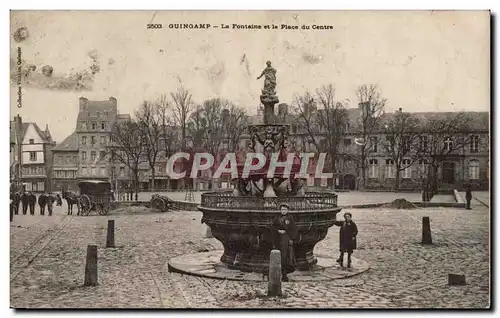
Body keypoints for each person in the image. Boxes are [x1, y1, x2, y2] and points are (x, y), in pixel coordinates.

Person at [271, 204, 299, 281]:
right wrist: (278, 231)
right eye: (282, 209)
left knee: (285, 256)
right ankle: (277, 273)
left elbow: (294, 228)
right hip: (278, 239)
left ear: (287, 210)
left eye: (285, 209)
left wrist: (287, 232)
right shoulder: (277, 218)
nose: (283, 211)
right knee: (277, 255)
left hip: (286, 239)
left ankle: (284, 274)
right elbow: (272, 227)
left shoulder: (290, 218)